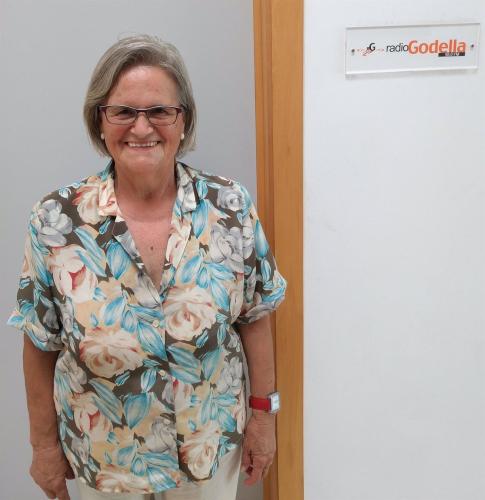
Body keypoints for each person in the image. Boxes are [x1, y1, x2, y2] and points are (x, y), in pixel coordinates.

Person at [7, 34, 286, 500]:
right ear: (99, 120)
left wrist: (264, 418)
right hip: (105, 457)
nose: (142, 127)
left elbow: (255, 315)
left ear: (183, 121)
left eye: (160, 111)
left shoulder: (230, 206)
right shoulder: (56, 220)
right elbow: (40, 343)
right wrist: (44, 447)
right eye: (123, 111)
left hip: (208, 450)